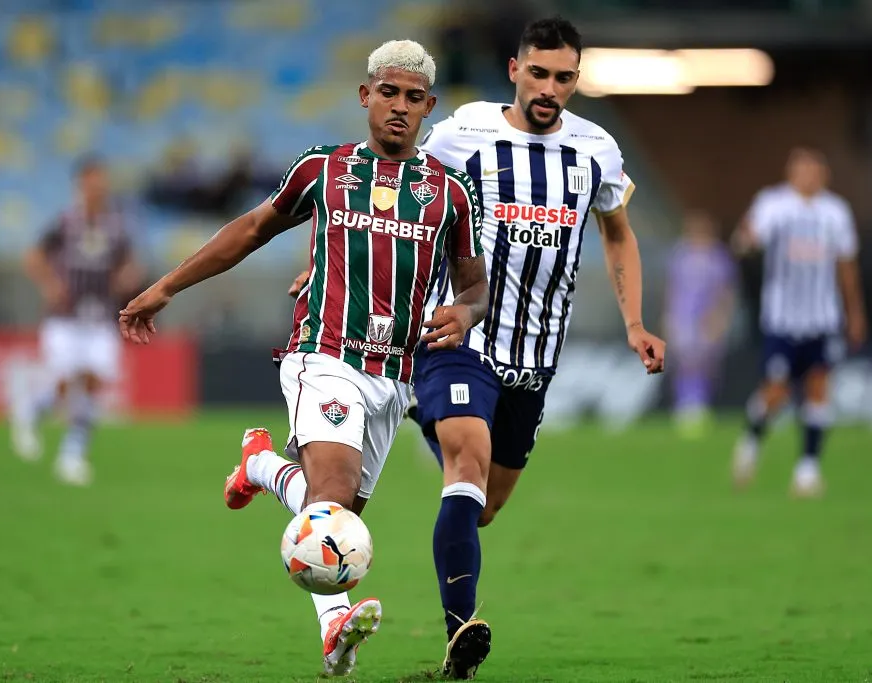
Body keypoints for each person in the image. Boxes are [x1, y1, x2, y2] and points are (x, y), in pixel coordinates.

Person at [282, 17, 666, 679]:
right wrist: (326, 261)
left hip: (536, 356)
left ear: (577, 79)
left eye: (564, 77)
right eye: (539, 73)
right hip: (460, 335)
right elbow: (387, 186)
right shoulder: (462, 134)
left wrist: (634, 321)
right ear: (515, 70)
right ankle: (461, 634)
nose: (550, 88)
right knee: (466, 457)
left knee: (481, 504)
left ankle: (384, 417)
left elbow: (618, 231)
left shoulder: (597, 149)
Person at [119, 40, 488, 678]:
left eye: (413, 97)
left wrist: (466, 313)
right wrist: (165, 288)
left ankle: (261, 466)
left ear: (429, 106)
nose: (399, 107)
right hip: (323, 353)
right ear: (365, 96)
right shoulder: (324, 168)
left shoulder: (449, 195)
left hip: (394, 380)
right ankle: (337, 624)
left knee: (335, 519)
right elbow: (252, 228)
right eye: (388, 93)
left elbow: (474, 284)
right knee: (333, 497)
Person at [730, 147, 868, 497]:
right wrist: (744, 238)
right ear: (791, 173)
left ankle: (807, 468)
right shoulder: (773, 205)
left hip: (822, 318)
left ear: (824, 174)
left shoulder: (836, 212)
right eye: (802, 169)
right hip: (782, 319)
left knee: (819, 389)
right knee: (775, 392)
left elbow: (846, 265)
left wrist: (855, 312)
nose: (809, 175)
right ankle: (751, 441)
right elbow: (747, 241)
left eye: (815, 169)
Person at [10, 155, 142, 486]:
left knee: (94, 383)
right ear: (81, 184)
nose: (99, 186)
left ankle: (71, 453)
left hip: (100, 318)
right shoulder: (65, 221)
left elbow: (130, 264)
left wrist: (127, 278)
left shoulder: (116, 225)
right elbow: (33, 256)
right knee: (66, 384)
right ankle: (33, 413)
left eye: (102, 180)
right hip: (65, 319)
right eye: (93, 180)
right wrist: (50, 284)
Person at [663, 210, 738, 437]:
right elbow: (672, 288)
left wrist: (721, 317)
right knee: (684, 362)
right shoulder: (680, 255)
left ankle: (700, 404)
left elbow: (726, 292)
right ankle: (685, 406)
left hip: (707, 318)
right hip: (682, 316)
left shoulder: (719, 258)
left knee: (706, 364)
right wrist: (667, 315)